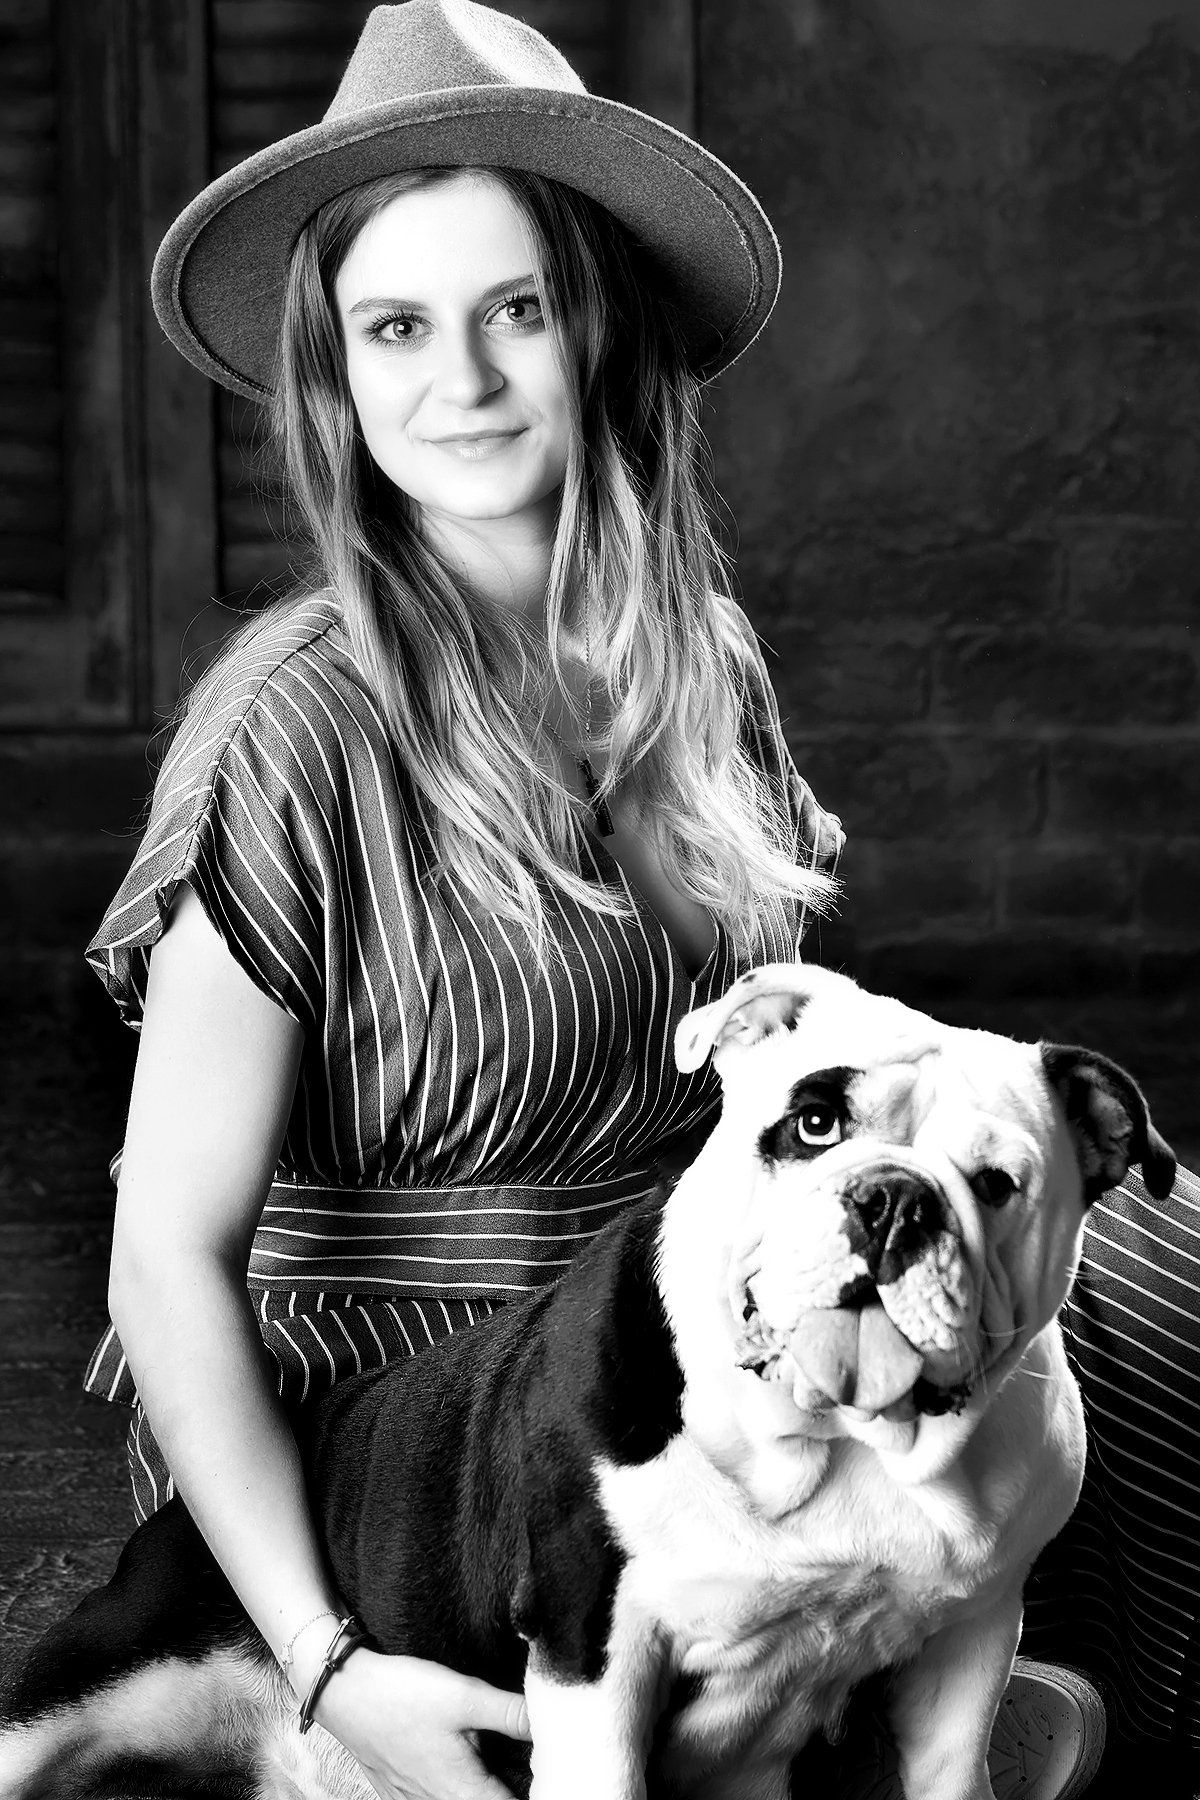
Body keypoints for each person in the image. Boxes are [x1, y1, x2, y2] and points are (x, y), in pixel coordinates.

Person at [76, 2, 1195, 1796]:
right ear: (334, 381)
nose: (463, 380)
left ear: (602, 333)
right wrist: (320, 1665)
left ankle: (1001, 1710)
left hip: (685, 1335)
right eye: (395, 328)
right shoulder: (293, 730)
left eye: (515, 310)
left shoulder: (699, 665)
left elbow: (792, 1114)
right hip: (394, 1434)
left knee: (1158, 1251)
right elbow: (163, 1267)